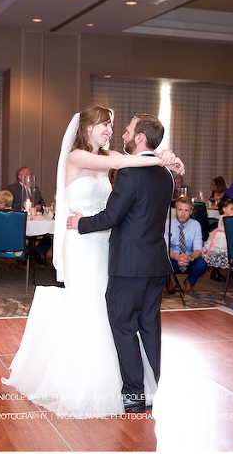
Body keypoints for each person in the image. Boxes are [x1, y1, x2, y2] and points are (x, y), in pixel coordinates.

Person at [2, 106, 184, 417]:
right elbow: (125, 162)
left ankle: (129, 385)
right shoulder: (76, 157)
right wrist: (162, 159)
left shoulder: (114, 154)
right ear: (87, 128)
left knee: (112, 313)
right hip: (82, 241)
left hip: (108, 244)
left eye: (114, 126)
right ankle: (89, 382)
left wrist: (165, 154)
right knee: (92, 306)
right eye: (105, 125)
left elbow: (131, 160)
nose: (112, 131)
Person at [68, 111, 178, 414]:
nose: (123, 135)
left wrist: (80, 223)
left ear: (140, 137)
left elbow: (112, 217)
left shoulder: (130, 172)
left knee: (124, 326)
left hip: (129, 264)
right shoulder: (165, 174)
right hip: (156, 262)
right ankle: (151, 387)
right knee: (150, 327)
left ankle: (133, 393)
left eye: (128, 131)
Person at [166, 197, 207, 294]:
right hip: (173, 258)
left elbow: (198, 250)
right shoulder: (168, 224)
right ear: (175, 211)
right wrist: (177, 257)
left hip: (189, 258)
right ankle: (167, 282)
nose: (183, 214)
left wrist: (189, 258)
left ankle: (189, 282)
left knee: (202, 264)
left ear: (191, 212)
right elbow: (164, 248)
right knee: (159, 260)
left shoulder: (196, 225)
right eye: (180, 210)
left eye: (186, 210)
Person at [203, 196, 233, 281]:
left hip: (229, 237)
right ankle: (215, 271)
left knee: (230, 253)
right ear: (224, 209)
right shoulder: (223, 216)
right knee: (220, 253)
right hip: (221, 238)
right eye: (231, 208)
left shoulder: (231, 217)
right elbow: (228, 218)